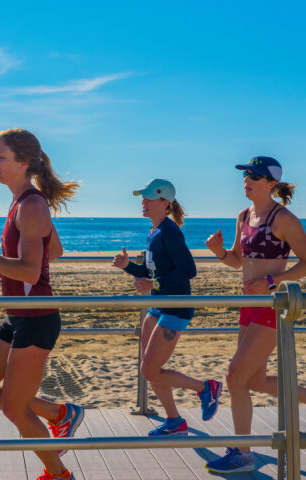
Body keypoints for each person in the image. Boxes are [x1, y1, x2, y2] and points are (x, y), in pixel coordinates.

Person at [0, 128, 82, 480]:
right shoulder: (23, 202)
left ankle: (59, 474)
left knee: (15, 409)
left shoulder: (31, 204)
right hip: (17, 316)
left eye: (1, 157)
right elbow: (52, 252)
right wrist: (3, 271)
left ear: (23, 162)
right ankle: (60, 414)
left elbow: (31, 270)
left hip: (37, 318)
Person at [205, 156, 306, 474]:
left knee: (235, 375)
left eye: (255, 175)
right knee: (255, 380)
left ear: (272, 183)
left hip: (272, 306)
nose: (247, 179)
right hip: (247, 307)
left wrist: (272, 281)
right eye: (246, 174)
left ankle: (242, 452)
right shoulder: (243, 215)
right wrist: (220, 252)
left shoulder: (284, 218)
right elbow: (238, 261)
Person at [113, 179, 222, 436]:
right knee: (151, 371)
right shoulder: (154, 231)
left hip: (175, 307)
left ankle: (205, 388)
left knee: (149, 370)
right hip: (159, 306)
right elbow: (151, 272)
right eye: (142, 197)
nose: (143, 202)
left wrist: (154, 285)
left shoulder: (169, 232)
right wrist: (127, 266)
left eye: (149, 198)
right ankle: (174, 421)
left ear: (165, 203)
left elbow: (189, 271)